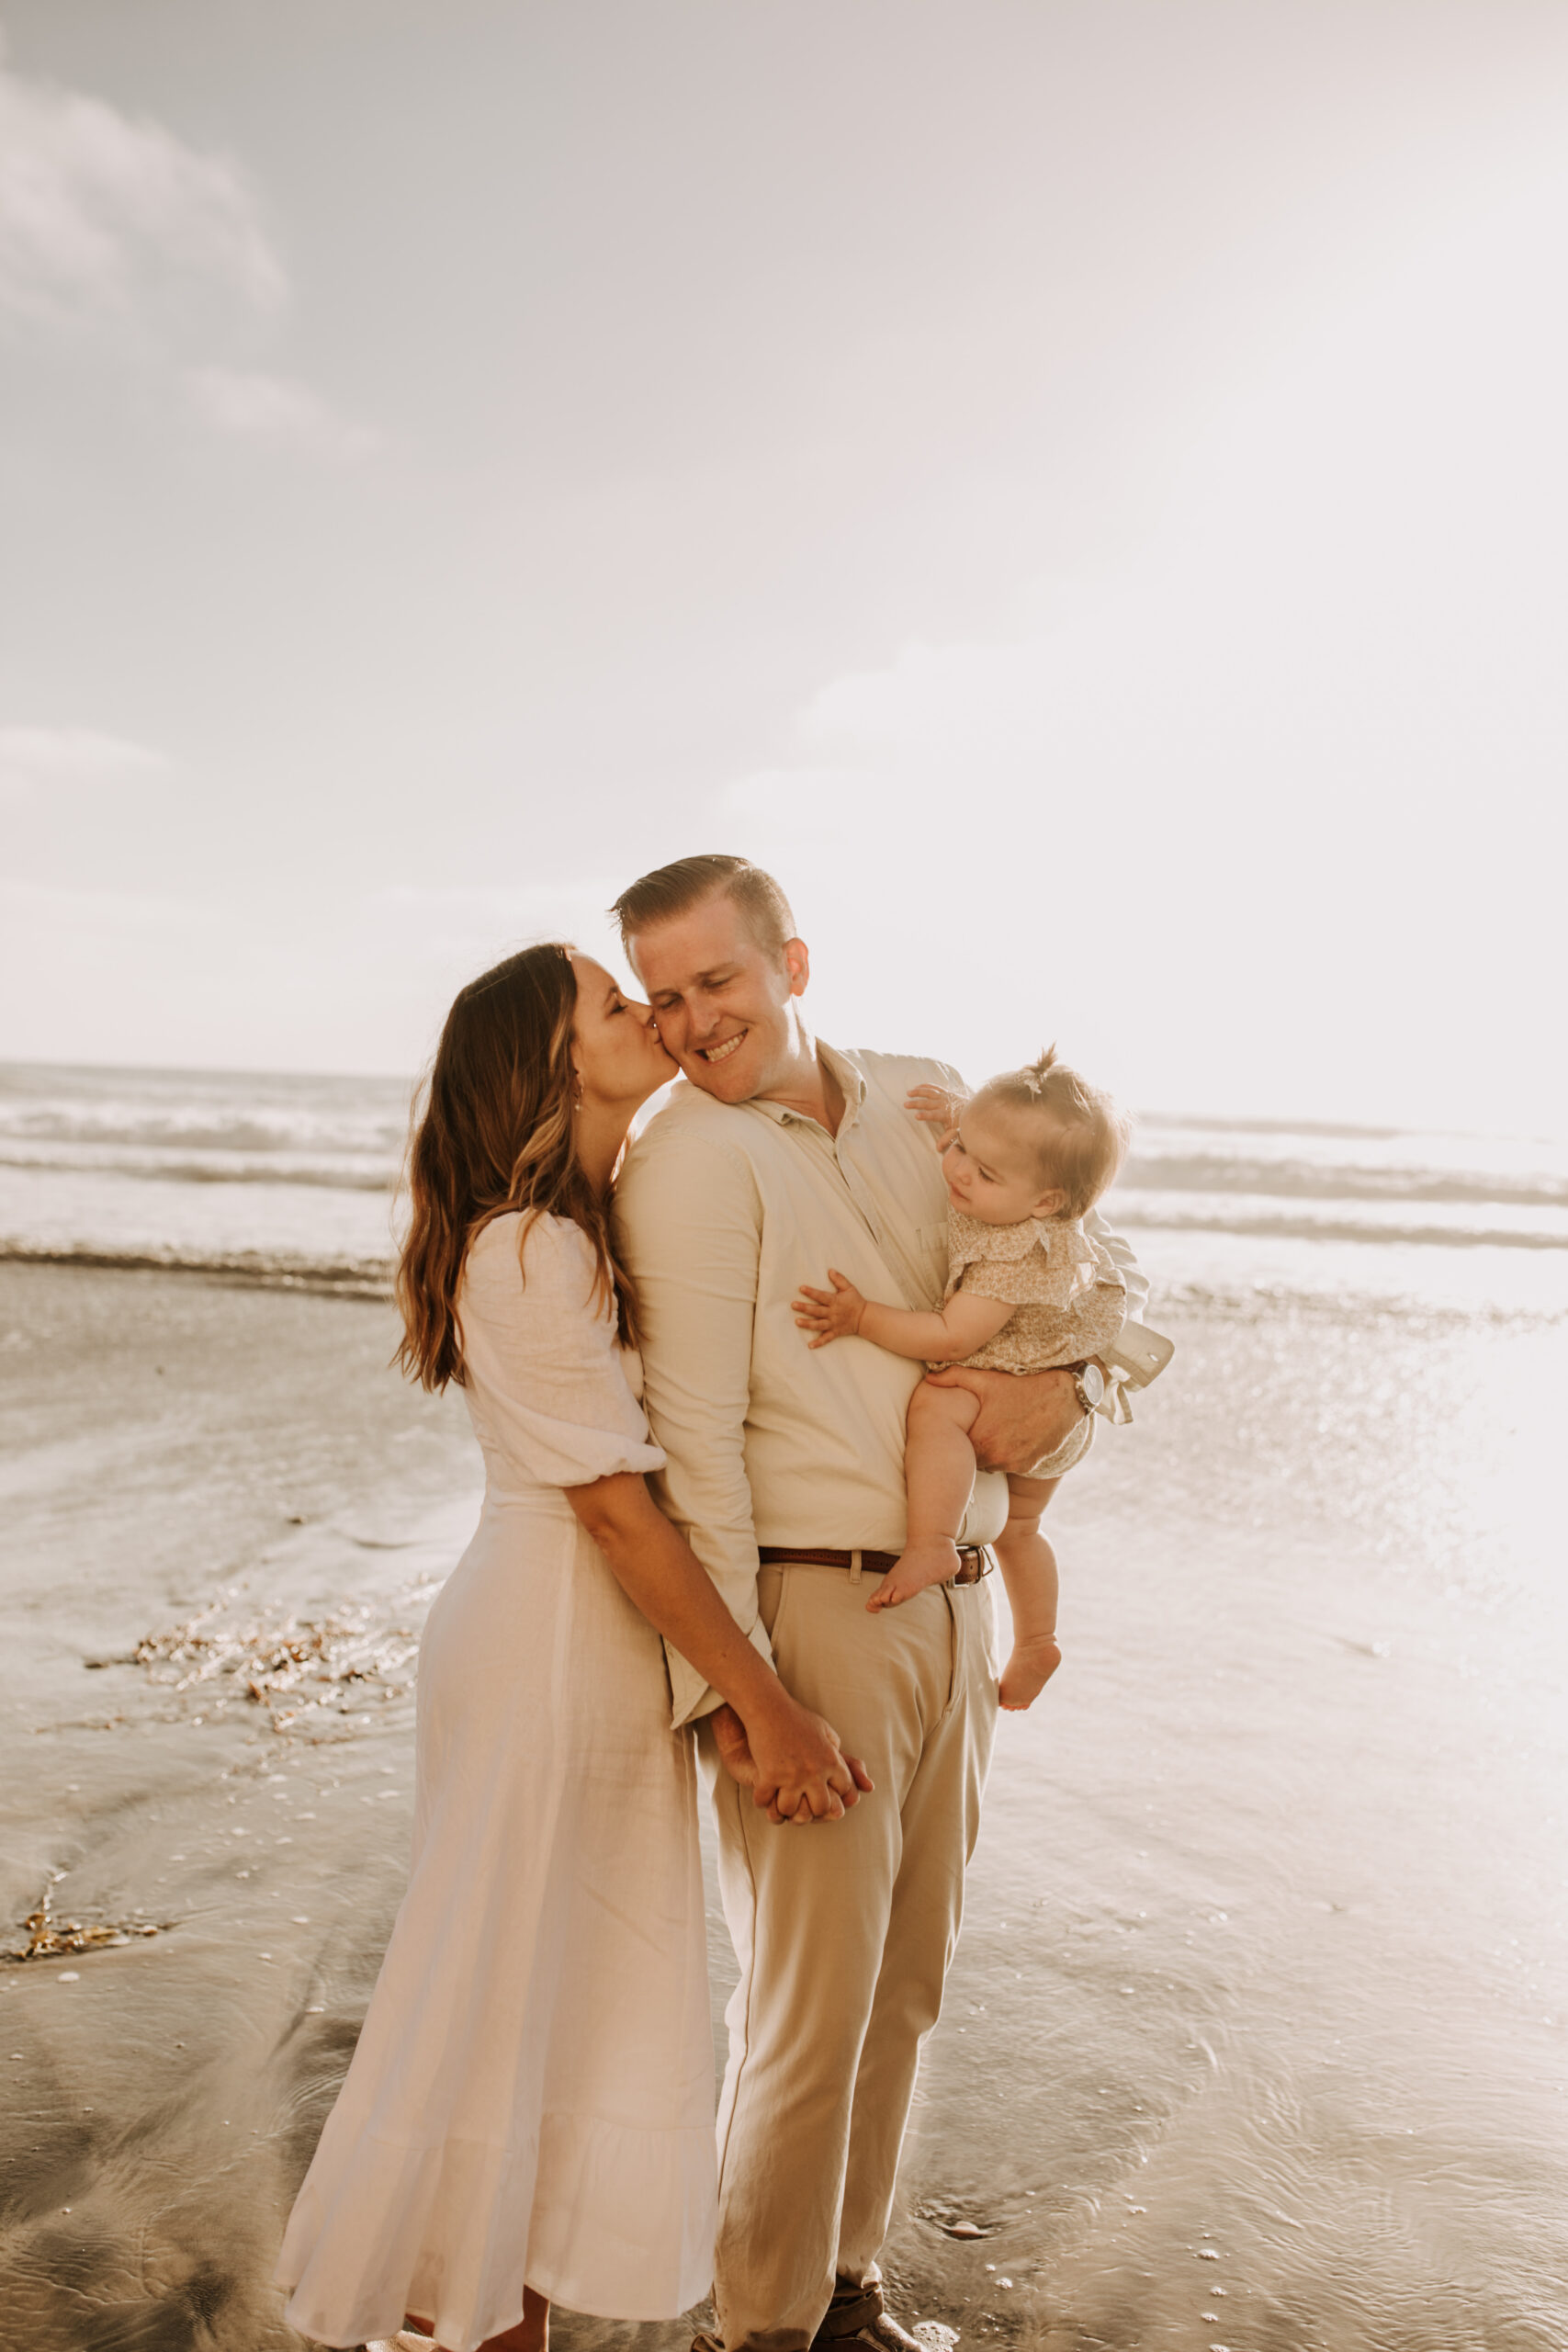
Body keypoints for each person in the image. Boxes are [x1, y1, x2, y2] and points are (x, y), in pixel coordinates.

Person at [276, 943, 867, 2352]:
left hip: (577, 1648)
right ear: (552, 1064)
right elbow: (614, 1514)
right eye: (618, 1004)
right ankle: (465, 2318)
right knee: (508, 1996)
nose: (652, 1016)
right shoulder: (532, 1247)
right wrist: (765, 1703)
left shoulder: (573, 1228)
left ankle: (498, 2319)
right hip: (548, 1644)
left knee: (552, 1997)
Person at [610, 858, 1148, 2352]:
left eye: (714, 979)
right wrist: (741, 1692)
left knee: (907, 1988)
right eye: (663, 998)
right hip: (812, 1614)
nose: (692, 1020)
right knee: (808, 2011)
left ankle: (849, 2291)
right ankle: (760, 2330)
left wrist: (1070, 1407)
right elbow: (694, 1447)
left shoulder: (926, 1098)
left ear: (791, 959)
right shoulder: (685, 1163)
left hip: (954, 1597)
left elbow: (1057, 1273)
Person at [792, 1048, 1130, 1712]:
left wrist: (862, 1317)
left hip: (1021, 1388)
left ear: (1044, 1200)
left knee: (936, 1407)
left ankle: (932, 1544)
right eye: (958, 1148)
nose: (959, 1172)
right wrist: (963, 1121)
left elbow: (951, 1336)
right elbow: (1004, 1147)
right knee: (1021, 1529)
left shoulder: (1010, 1259)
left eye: (985, 1171)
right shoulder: (1052, 1211)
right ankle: (1038, 1638)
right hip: (1068, 1405)